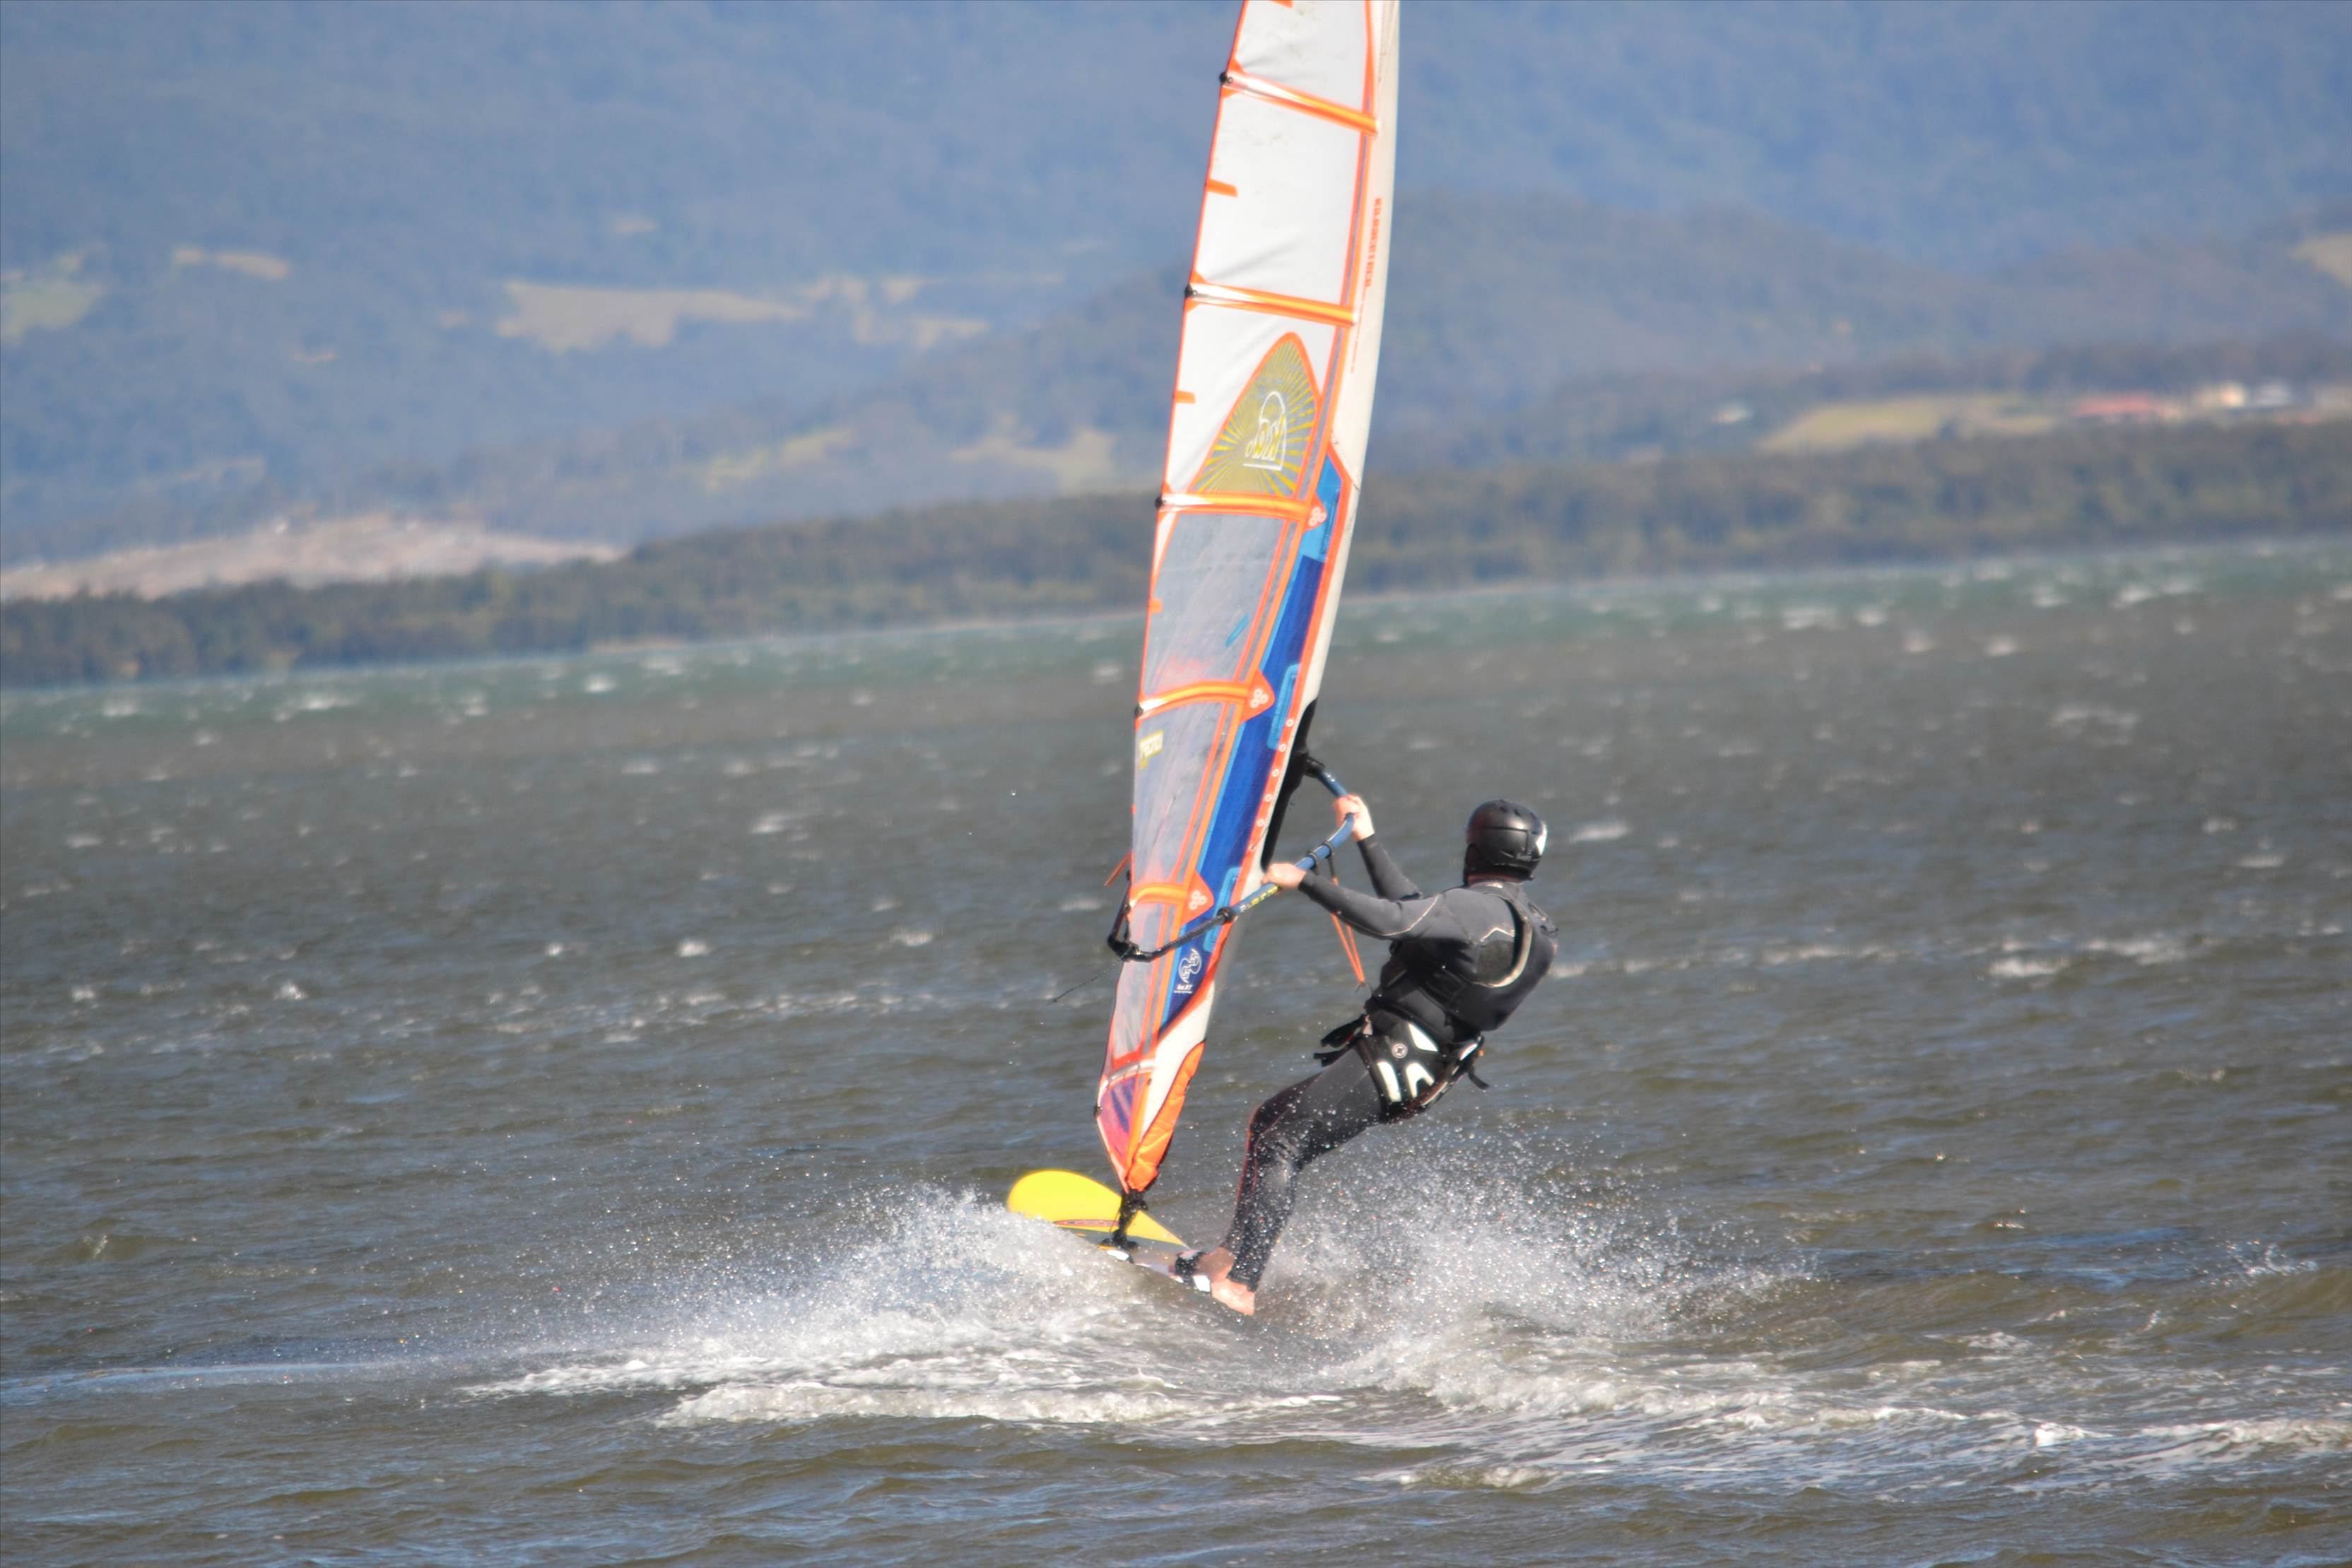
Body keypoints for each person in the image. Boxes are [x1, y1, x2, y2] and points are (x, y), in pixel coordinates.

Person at [1181, 793, 1559, 1314]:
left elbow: (1393, 920)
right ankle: (1226, 1258)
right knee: (1272, 1122)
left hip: (1391, 1058)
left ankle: (1242, 1283)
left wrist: (1305, 881)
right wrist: (1367, 838)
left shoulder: (1473, 909)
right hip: (1420, 1069)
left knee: (1281, 1142)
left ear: (1475, 850)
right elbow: (1416, 913)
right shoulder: (1530, 925)